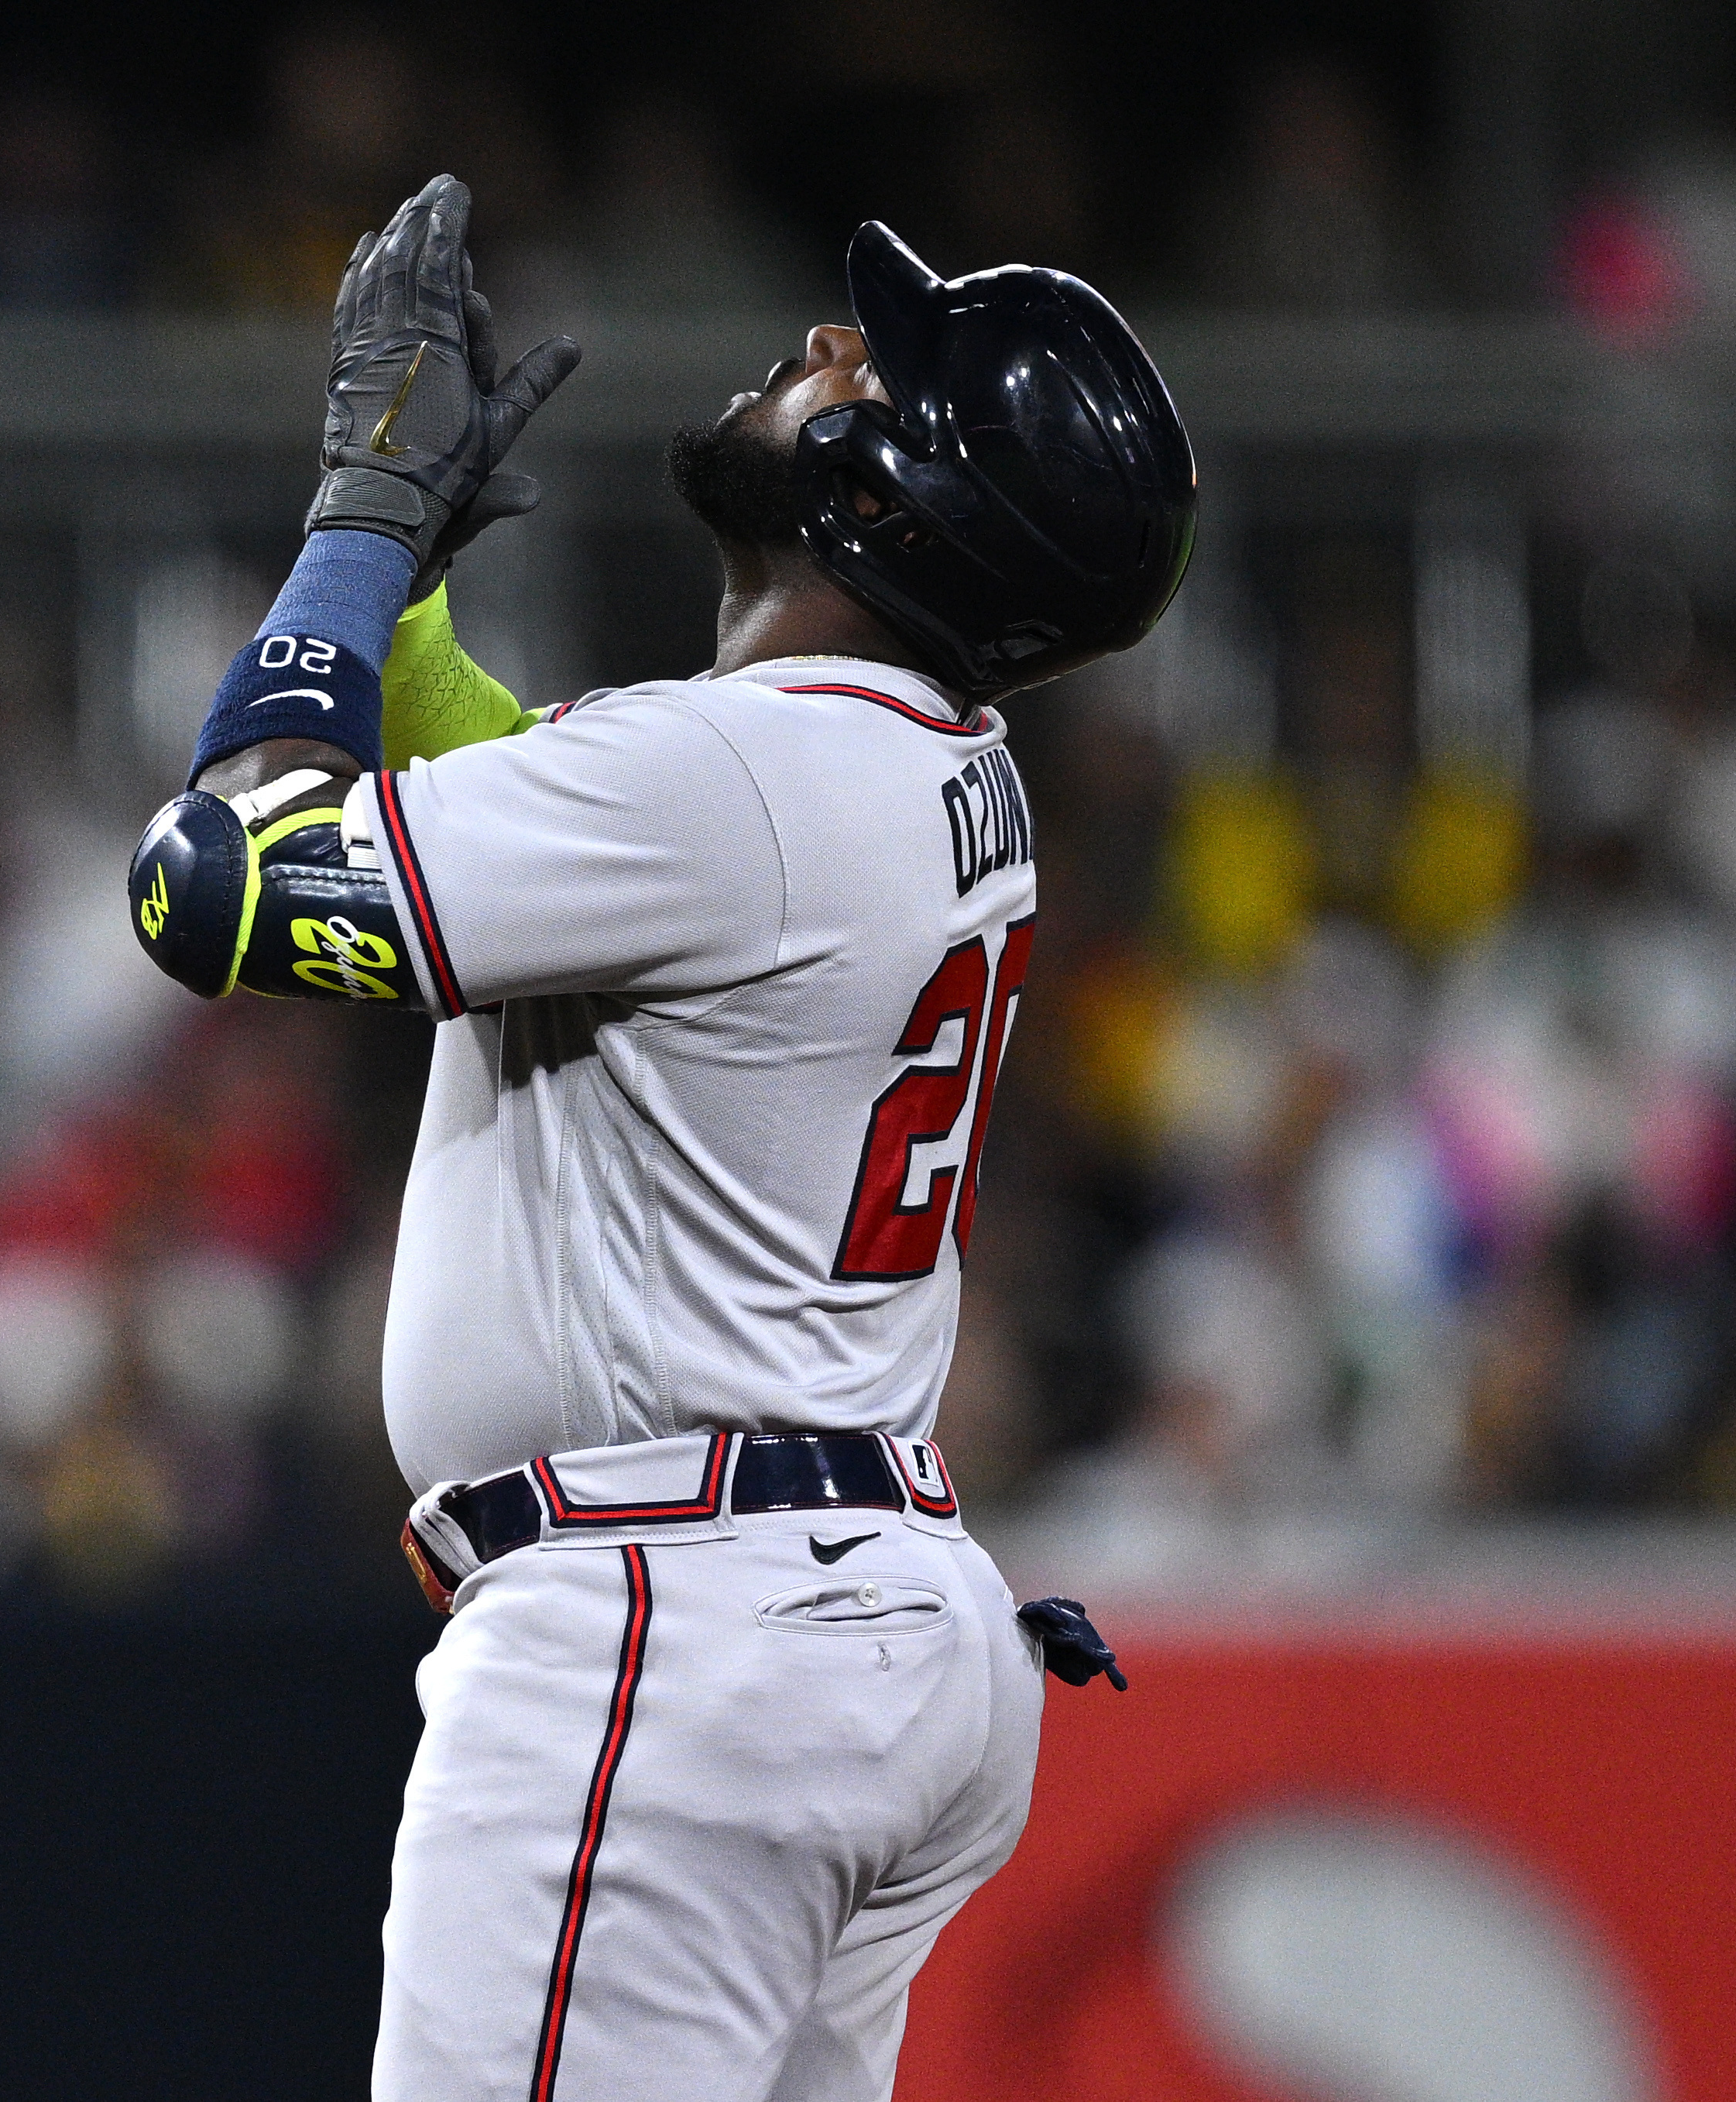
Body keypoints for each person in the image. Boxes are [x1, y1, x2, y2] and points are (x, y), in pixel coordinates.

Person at [124, 177, 1185, 2099]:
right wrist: (404, 600)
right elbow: (552, 802)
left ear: (900, 498)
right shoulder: (905, 763)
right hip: (863, 1607)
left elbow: (211, 888)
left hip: (676, 1625)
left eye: (885, 365)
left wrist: (357, 526)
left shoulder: (746, 777)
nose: (830, 346)